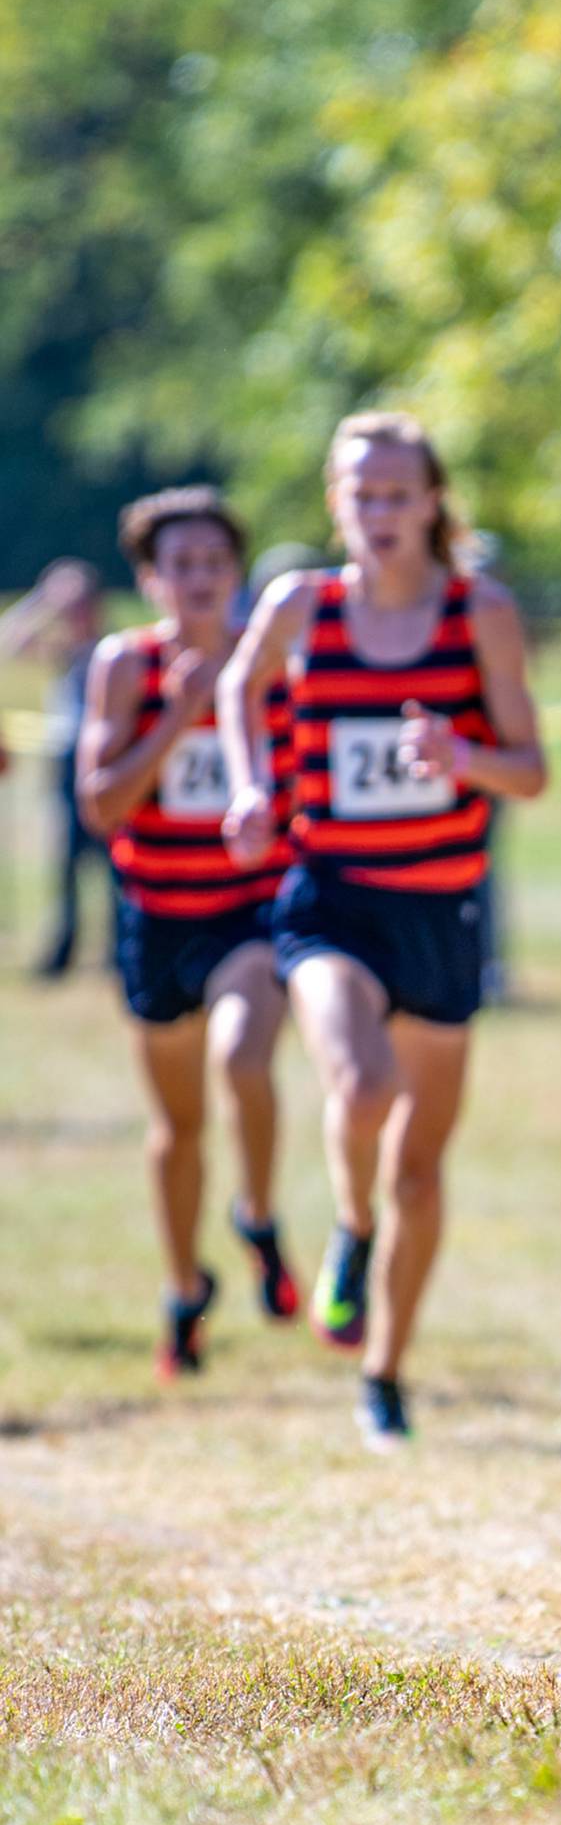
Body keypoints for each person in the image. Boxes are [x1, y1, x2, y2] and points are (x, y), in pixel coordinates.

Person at [218, 411, 546, 1449]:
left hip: (441, 912)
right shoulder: (299, 605)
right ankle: (351, 1231)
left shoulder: (478, 612)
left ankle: (386, 1369)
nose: (381, 514)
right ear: (335, 504)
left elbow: (532, 771)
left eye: (400, 495)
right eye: (362, 496)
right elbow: (237, 687)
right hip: (331, 897)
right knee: (360, 1086)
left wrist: (463, 757)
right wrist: (250, 785)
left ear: (432, 504)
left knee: (422, 1165)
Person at [75, 489, 298, 1378]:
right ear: (150, 580)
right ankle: (184, 1286)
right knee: (176, 1127)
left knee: (244, 1057)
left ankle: (257, 1213)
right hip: (154, 914)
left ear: (234, 573)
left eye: (215, 563)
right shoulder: (124, 666)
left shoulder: (268, 663)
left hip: (247, 910)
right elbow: (100, 807)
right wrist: (176, 714)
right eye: (181, 565)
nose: (200, 579)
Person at [0, 558, 113, 977]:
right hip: (67, 761)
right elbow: (11, 641)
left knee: (111, 862)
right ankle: (64, 949)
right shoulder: (64, 650)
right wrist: (42, 600)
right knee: (66, 862)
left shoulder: (111, 647)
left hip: (106, 760)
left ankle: (116, 952)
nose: (74, 613)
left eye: (80, 602)